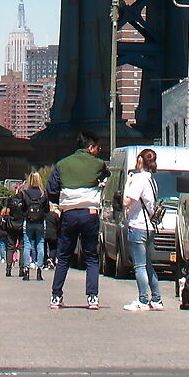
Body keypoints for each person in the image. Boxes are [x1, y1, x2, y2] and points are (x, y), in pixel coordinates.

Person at [48, 133, 107, 310]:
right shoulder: (98, 164)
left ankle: (56, 296)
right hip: (90, 213)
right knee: (91, 257)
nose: (98, 151)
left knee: (64, 256)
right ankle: (92, 297)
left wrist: (61, 202)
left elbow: (51, 188)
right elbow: (107, 177)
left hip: (69, 213)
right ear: (90, 148)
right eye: (97, 148)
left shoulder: (63, 164)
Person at [122, 148, 165, 311]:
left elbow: (127, 200)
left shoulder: (139, 179)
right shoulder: (152, 179)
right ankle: (157, 298)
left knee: (139, 266)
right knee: (148, 264)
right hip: (150, 227)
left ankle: (142, 299)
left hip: (138, 225)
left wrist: (128, 183)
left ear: (140, 161)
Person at [15, 174, 49, 276]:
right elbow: (47, 209)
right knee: (40, 244)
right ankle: (39, 267)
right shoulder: (43, 193)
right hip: (40, 221)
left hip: (28, 220)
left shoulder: (25, 193)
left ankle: (26, 268)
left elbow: (22, 207)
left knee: (27, 244)